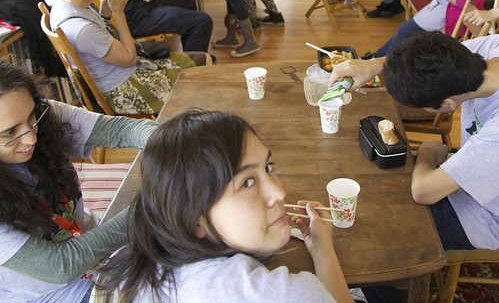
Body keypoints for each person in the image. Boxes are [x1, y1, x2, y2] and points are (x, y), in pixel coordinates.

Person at [0, 56, 159, 302]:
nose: (31, 138)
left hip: (92, 250)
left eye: (32, 119)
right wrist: (152, 209)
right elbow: (60, 265)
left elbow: (121, 130)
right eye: (10, 133)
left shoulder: (33, 114)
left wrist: (172, 140)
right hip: (51, 294)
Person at [330, 32, 499, 250]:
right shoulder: (495, 49)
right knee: (382, 180)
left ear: (449, 104)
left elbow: (423, 191)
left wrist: (427, 152)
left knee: (378, 221)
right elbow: (427, 57)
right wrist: (374, 64)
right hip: (492, 175)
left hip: (497, 217)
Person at [99, 110, 352, 302]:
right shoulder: (282, 294)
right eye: (247, 182)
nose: (279, 192)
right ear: (194, 220)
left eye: (268, 167)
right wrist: (324, 251)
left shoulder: (127, 263)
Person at [51, 0, 197, 115]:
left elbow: (98, 42)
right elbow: (129, 58)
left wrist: (105, 13)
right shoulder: (82, 29)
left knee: (189, 65)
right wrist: (119, 13)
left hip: (117, 73)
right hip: (121, 88)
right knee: (191, 86)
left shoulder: (64, 5)